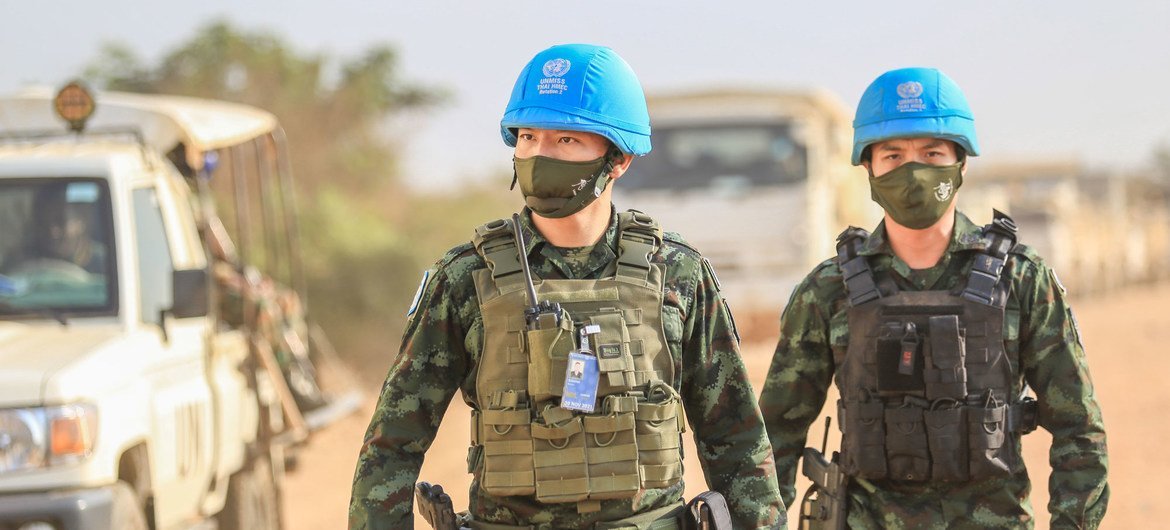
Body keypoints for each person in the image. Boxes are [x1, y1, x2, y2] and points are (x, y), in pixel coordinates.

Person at [350, 44, 784, 529]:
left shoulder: (678, 274)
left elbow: (737, 439)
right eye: (529, 137)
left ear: (618, 158)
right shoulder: (465, 278)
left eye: (566, 142)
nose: (539, 155)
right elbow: (392, 444)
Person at [758, 67, 1109, 529]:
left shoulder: (1022, 279)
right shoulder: (828, 290)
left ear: (961, 162)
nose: (913, 171)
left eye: (932, 152)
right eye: (893, 155)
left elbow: (1079, 430)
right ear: (868, 166)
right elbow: (773, 438)